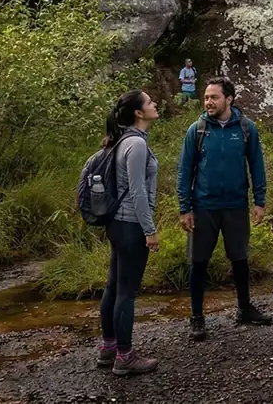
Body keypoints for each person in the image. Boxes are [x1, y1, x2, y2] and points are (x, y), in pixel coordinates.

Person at [177, 76, 271, 341]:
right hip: (203, 206)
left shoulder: (246, 128)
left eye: (214, 97)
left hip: (235, 206)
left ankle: (244, 308)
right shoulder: (196, 130)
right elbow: (184, 171)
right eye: (206, 97)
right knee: (198, 263)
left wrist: (260, 201)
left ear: (228, 99)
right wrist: (185, 209)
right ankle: (197, 318)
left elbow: (257, 166)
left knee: (240, 258)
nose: (208, 102)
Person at [97, 90, 161, 376]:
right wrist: (150, 230)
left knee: (114, 287)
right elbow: (137, 192)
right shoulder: (135, 144)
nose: (154, 104)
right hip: (131, 225)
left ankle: (109, 348)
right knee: (126, 292)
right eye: (149, 102)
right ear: (138, 112)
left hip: (118, 225)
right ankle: (125, 357)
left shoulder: (125, 140)